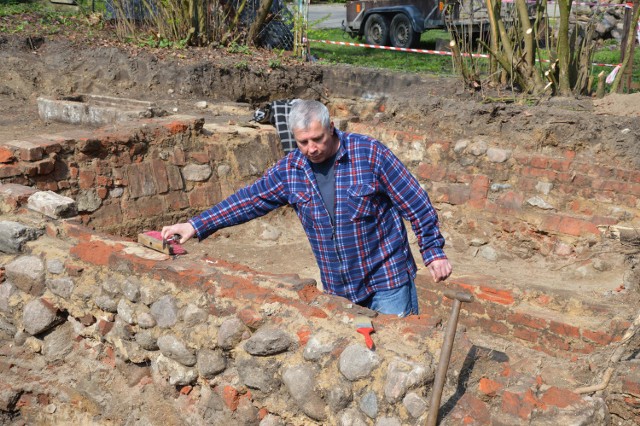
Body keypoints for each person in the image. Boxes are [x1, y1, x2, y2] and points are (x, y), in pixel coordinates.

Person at [161, 100, 452, 317]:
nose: (312, 148)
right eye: (303, 142)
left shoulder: (370, 154)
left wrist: (433, 251)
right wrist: (194, 225)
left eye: (318, 139)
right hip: (339, 286)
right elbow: (248, 200)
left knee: (398, 362)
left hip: (387, 278)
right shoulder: (291, 171)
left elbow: (415, 202)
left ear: (331, 129)